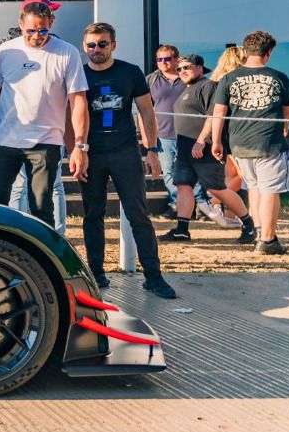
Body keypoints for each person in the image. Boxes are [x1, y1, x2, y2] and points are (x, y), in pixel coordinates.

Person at [0, 0, 89, 229]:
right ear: (20, 24)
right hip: (4, 141)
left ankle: (43, 260)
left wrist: (79, 146)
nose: (37, 36)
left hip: (45, 142)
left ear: (51, 22)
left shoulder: (66, 53)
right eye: (31, 30)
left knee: (41, 208)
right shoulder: (7, 50)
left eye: (43, 30)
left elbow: (78, 102)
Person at [78, 23, 176, 297]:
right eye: (91, 45)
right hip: (92, 152)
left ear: (113, 45)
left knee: (138, 214)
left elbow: (147, 112)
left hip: (125, 151)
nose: (96, 50)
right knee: (93, 214)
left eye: (102, 44)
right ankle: (96, 273)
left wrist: (153, 150)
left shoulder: (129, 72)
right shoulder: (79, 73)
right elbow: (71, 113)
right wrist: (76, 150)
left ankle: (153, 276)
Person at [211, 30, 289, 255]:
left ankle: (261, 232)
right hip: (269, 143)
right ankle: (268, 241)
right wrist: (285, 127)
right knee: (270, 191)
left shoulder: (229, 78)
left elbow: (218, 113)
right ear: (268, 53)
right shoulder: (279, 77)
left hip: (239, 144)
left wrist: (216, 141)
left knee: (256, 189)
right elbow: (288, 110)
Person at [159, 54, 255, 244]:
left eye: (187, 67)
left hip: (205, 148)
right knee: (183, 186)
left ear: (200, 68)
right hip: (185, 150)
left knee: (216, 189)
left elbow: (214, 116)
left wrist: (202, 140)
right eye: (179, 69)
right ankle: (182, 230)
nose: (182, 71)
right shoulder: (187, 89)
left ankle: (249, 224)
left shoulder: (208, 86)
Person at [147, 44, 188, 216]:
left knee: (190, 171)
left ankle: (197, 205)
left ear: (176, 59)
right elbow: (145, 109)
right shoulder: (150, 80)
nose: (163, 62)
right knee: (169, 171)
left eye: (167, 59)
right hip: (164, 134)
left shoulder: (187, 76)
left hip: (188, 133)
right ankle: (176, 204)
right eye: (159, 59)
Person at [210, 46, 247, 193]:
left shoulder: (214, 82)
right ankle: (214, 201)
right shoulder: (235, 83)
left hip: (221, 133)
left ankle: (230, 215)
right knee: (245, 176)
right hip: (236, 133)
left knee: (231, 176)